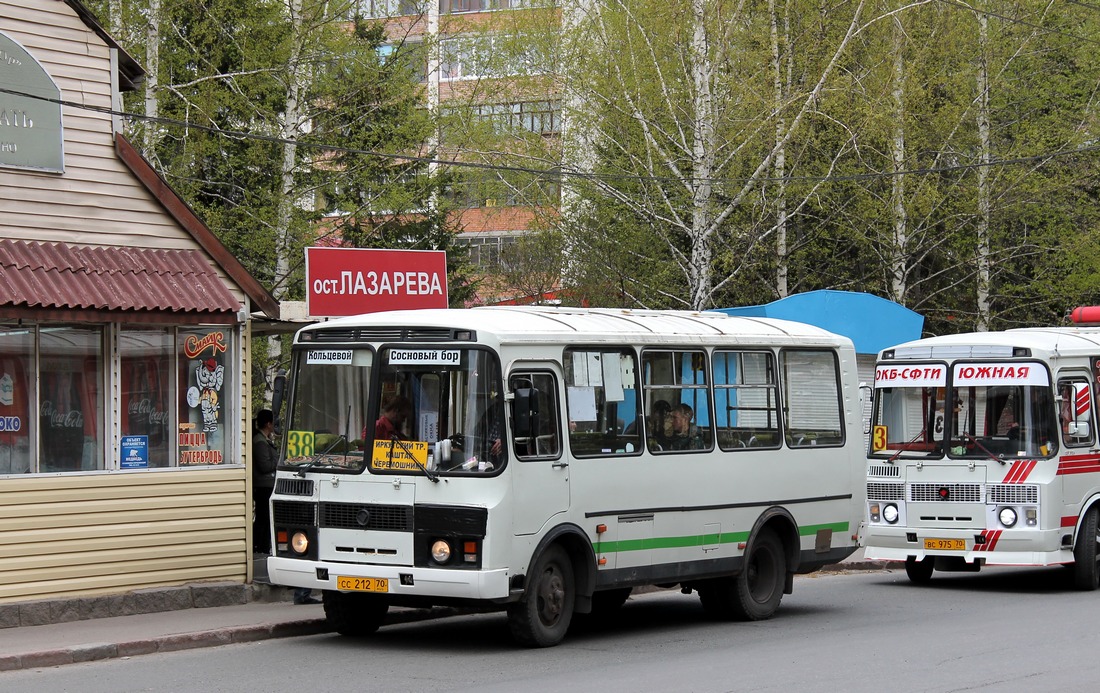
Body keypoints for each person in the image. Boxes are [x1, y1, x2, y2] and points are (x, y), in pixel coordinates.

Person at [251, 409, 277, 554]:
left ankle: (261, 545)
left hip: (266, 484)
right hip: (263, 486)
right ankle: (261, 547)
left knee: (264, 517)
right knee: (264, 518)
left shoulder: (264, 440)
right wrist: (278, 461)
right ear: (268, 424)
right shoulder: (260, 442)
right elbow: (265, 465)